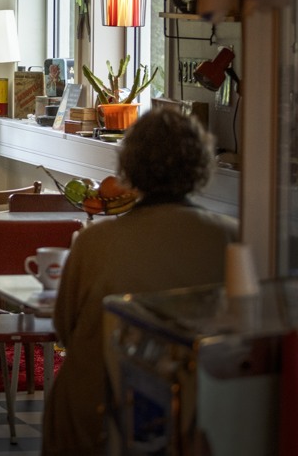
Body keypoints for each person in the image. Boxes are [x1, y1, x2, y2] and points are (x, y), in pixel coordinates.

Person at [43, 107, 235, 455]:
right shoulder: (231, 239)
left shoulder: (95, 242)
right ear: (200, 165)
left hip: (98, 409)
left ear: (129, 165)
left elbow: (64, 329)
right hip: (198, 411)